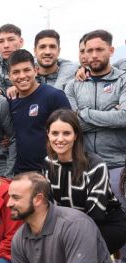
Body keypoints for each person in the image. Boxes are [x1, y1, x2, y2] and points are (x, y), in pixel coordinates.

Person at [44, 109, 126, 263]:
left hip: (105, 225)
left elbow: (95, 214)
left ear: (76, 135)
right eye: (55, 133)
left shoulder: (95, 165)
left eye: (66, 133)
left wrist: (65, 241)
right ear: (48, 135)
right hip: (70, 227)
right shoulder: (48, 163)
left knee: (74, 259)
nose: (60, 139)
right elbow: (50, 207)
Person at [65, 30, 126, 215]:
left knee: (122, 222)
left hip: (119, 164)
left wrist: (83, 114)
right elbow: (73, 126)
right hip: (85, 166)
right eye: (89, 50)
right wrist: (110, 116)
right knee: (89, 222)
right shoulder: (73, 85)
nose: (93, 55)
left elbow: (124, 117)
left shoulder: (123, 80)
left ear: (111, 50)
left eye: (99, 49)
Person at [7, 49, 71, 174]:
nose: (22, 76)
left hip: (53, 171)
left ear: (36, 70)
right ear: (9, 76)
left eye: (26, 70)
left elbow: (72, 132)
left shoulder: (54, 96)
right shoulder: (10, 100)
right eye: (16, 72)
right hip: (21, 173)